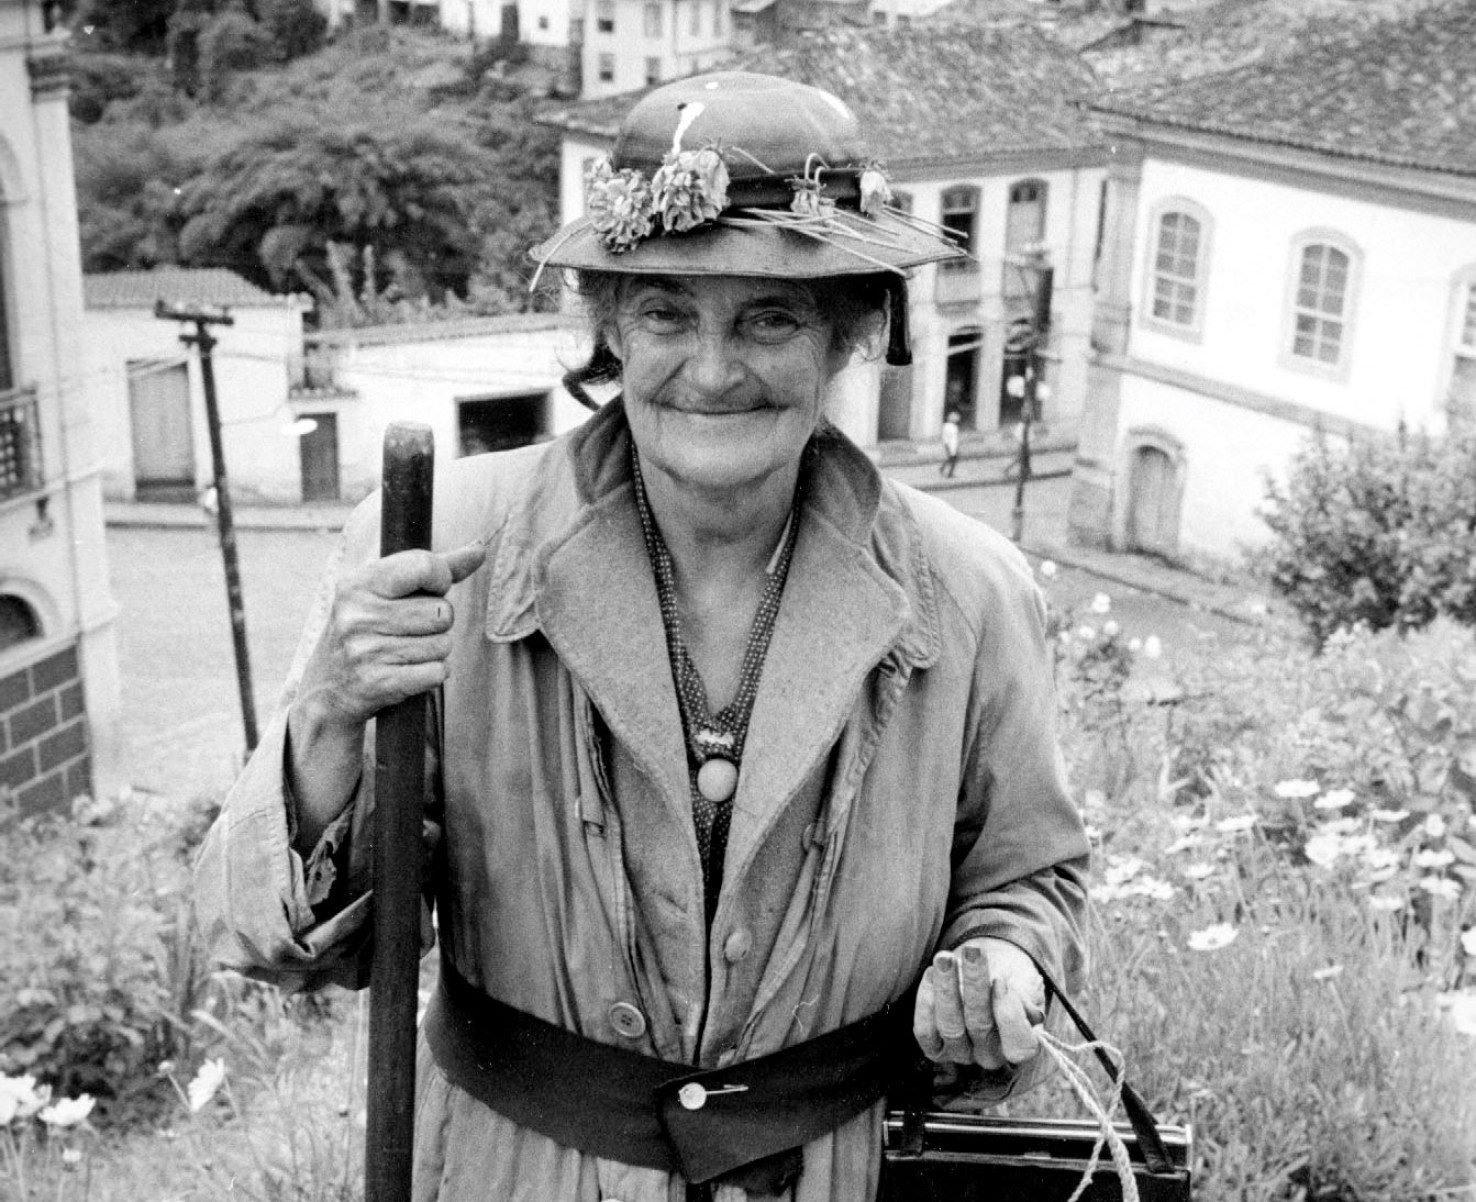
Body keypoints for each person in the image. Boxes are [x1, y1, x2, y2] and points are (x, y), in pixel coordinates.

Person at [194, 71, 1089, 1202]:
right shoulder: (438, 547)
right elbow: (288, 946)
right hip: (508, 1173)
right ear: (609, 325)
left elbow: (1029, 872)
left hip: (831, 1174)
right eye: (667, 312)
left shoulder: (970, 592)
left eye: (771, 317)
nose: (713, 371)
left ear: (853, 333)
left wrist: (1003, 960)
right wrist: (327, 711)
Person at [938, 411, 961, 478]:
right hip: (952, 445)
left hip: (948, 444)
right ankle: (950, 474)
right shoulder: (953, 427)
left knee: (951, 458)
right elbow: (953, 438)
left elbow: (945, 437)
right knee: (954, 459)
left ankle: (942, 468)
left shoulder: (945, 426)